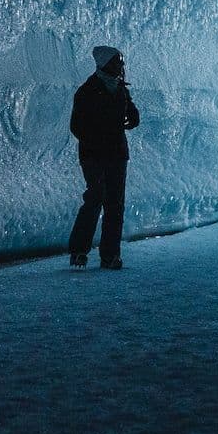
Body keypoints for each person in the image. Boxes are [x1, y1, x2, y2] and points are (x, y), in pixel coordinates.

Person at [68, 45, 140, 269]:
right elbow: (76, 126)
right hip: (96, 155)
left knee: (114, 203)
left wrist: (133, 116)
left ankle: (110, 255)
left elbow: (130, 111)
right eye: (117, 61)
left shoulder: (119, 89)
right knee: (96, 198)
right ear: (105, 63)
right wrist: (98, 140)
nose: (120, 66)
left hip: (116, 154)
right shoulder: (88, 90)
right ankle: (79, 251)